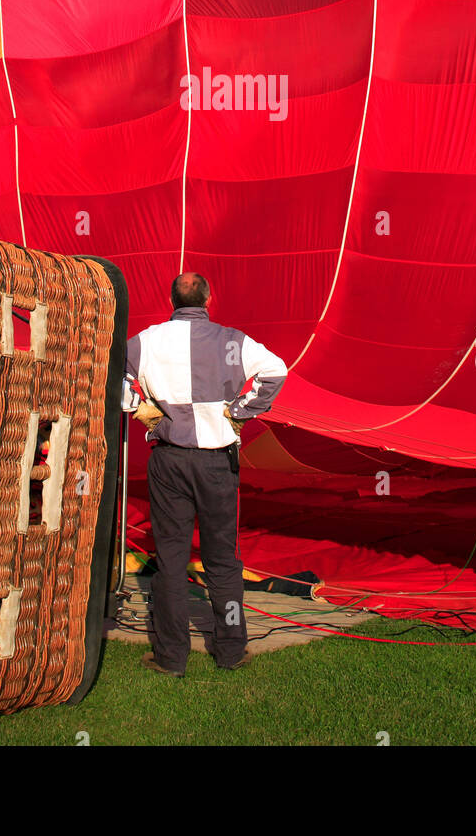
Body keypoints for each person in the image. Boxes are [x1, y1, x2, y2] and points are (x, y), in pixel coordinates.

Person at [122, 272, 287, 677]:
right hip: (216, 463)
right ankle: (231, 650)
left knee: (172, 561)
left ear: (171, 300)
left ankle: (171, 657)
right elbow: (276, 371)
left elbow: (112, 382)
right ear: (209, 298)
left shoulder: (146, 340)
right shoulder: (233, 340)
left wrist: (140, 408)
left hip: (171, 462)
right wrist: (239, 410)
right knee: (222, 561)